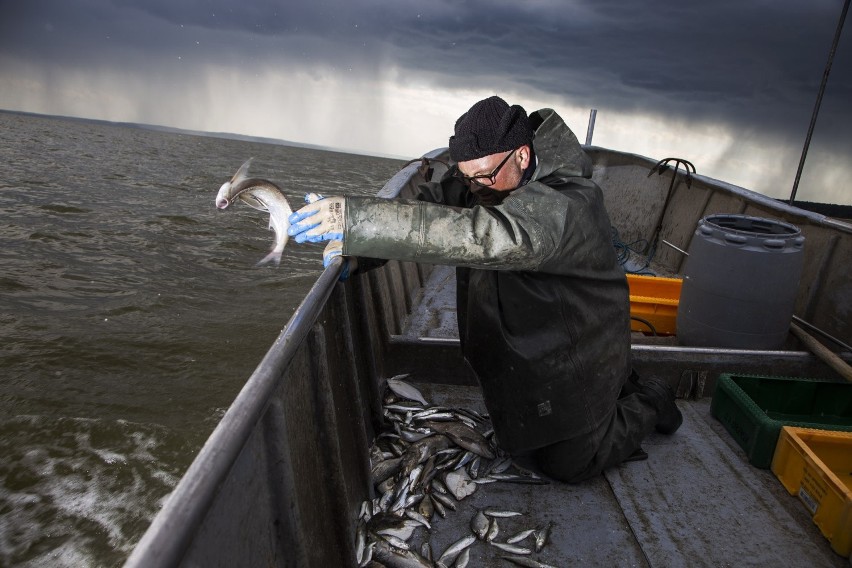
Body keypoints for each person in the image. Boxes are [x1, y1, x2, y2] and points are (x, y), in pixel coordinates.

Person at [287, 95, 682, 483]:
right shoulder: (483, 181)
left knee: (569, 464)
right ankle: (608, 396)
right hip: (526, 347)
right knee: (521, 444)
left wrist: (355, 219)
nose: (475, 188)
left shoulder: (569, 201)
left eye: (485, 176)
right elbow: (431, 211)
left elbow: (496, 236)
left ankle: (652, 398)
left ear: (523, 156)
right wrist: (360, 255)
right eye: (467, 176)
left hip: (579, 347)